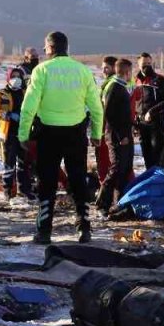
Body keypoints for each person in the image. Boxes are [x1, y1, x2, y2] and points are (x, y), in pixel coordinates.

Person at [18, 31, 103, 245]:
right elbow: (96, 107)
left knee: (47, 183)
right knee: (77, 180)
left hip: (48, 133)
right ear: (67, 47)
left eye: (45, 48)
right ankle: (84, 228)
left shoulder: (41, 70)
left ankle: (44, 231)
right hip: (76, 133)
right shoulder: (83, 71)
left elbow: (28, 107)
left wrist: (23, 134)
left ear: (49, 48)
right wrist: (96, 134)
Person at [0, 66, 35, 201]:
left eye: (18, 77)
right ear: (9, 78)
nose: (16, 79)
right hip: (8, 133)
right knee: (8, 164)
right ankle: (8, 190)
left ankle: (24, 190)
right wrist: (9, 115)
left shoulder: (26, 93)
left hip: (23, 132)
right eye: (13, 76)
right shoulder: (2, 93)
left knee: (23, 163)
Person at [97, 59, 135, 213]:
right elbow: (110, 115)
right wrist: (120, 136)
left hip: (126, 134)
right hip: (116, 136)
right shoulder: (114, 87)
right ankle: (102, 204)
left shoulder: (122, 87)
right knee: (116, 169)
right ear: (127, 72)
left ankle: (119, 203)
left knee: (125, 169)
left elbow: (123, 114)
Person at [132, 58, 164, 171]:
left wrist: (152, 111)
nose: (147, 66)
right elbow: (133, 101)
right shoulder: (135, 80)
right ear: (139, 65)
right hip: (140, 123)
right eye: (144, 64)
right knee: (146, 153)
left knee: (157, 153)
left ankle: (158, 178)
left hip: (156, 121)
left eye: (149, 63)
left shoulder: (161, 80)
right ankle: (149, 177)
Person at [95, 55, 120, 184]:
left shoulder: (112, 84)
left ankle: (104, 188)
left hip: (107, 128)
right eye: (102, 68)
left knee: (105, 160)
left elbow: (105, 109)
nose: (103, 71)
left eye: (106, 68)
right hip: (112, 128)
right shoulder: (119, 82)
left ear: (114, 68)